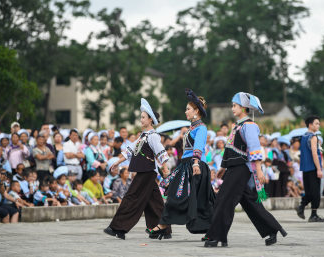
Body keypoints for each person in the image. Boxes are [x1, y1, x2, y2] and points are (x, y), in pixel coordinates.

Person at [204, 92, 286, 248]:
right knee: (250, 202)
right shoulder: (238, 126)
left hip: (241, 169)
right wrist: (223, 168)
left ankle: (217, 236)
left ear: (243, 108)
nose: (232, 108)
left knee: (224, 200)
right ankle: (272, 229)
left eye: (234, 105)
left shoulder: (249, 126)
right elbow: (231, 150)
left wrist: (259, 171)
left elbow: (255, 150)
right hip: (234, 169)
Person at [150, 89, 215, 240]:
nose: (185, 111)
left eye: (188, 109)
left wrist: (196, 164)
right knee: (176, 194)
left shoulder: (201, 128)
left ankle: (213, 229)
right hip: (186, 165)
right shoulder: (191, 128)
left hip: (195, 165)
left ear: (196, 111)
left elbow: (198, 147)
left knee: (201, 200)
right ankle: (164, 225)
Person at [104, 98, 170, 240]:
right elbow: (130, 150)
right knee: (154, 201)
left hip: (146, 173)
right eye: (141, 117)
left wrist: (165, 170)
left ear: (150, 120)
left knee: (131, 198)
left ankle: (118, 228)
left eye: (143, 117)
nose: (141, 120)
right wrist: (117, 162)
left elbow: (161, 152)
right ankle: (163, 229)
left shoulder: (153, 136)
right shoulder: (143, 136)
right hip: (145, 173)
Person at [296, 116, 324, 222]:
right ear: (310, 125)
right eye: (316, 123)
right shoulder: (313, 137)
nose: (318, 125)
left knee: (309, 191)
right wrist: (319, 169)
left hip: (305, 168)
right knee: (316, 192)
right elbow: (314, 153)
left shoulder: (303, 137)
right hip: (313, 168)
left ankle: (301, 206)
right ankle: (313, 214)